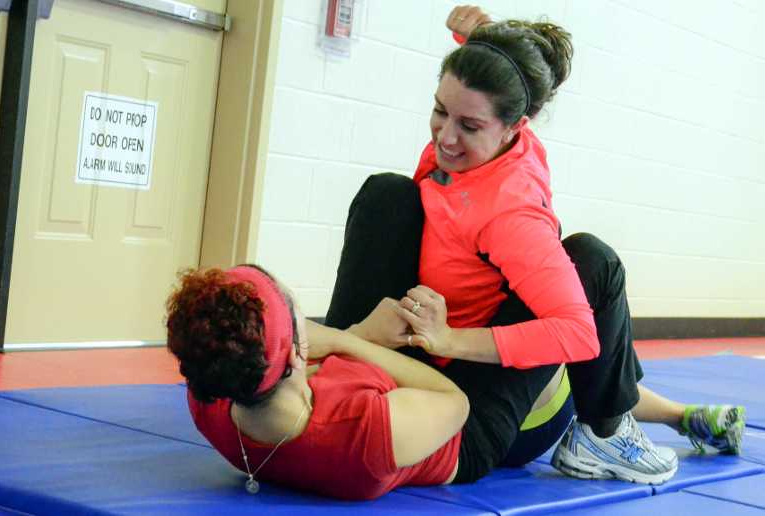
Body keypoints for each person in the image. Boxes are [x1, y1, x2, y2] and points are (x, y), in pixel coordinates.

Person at [323, 5, 746, 485]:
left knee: (592, 260)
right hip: (428, 366)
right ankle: (678, 415)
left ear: (514, 125)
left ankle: (607, 433)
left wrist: (448, 338)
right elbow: (506, 81)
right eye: (440, 111)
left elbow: (578, 335)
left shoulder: (511, 213)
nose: (446, 135)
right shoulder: (485, 131)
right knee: (389, 192)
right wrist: (480, 40)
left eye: (469, 126)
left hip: (485, 420)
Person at [166, 265, 469, 500]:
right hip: (456, 433)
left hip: (388, 389)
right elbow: (455, 400)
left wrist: (360, 334)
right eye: (296, 312)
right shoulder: (364, 429)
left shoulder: (211, 392)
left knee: (386, 195)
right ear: (297, 352)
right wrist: (346, 341)